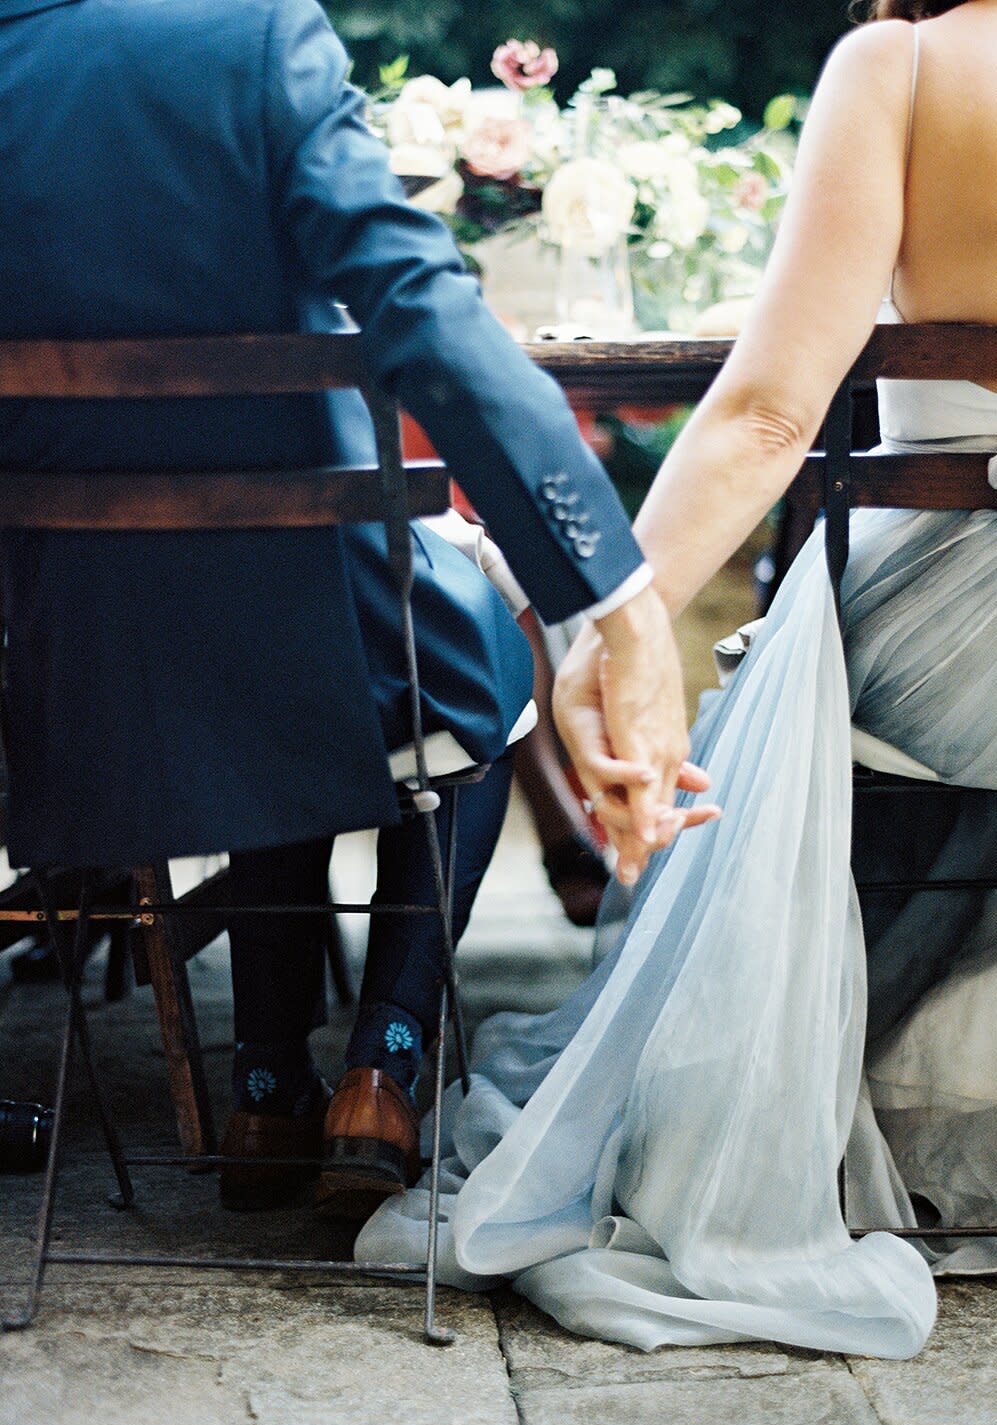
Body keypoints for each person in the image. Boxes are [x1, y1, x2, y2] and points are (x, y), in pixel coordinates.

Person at [361, 0, 997, 1356]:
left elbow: (772, 411)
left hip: (955, 669)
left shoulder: (898, 69)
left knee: (798, 678)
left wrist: (619, 625)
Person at [0, 0, 700, 1209]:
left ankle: (264, 1079)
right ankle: (382, 1062)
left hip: (60, 674)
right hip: (300, 631)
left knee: (283, 644)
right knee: (470, 653)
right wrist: (612, 596)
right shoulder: (255, 45)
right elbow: (420, 308)